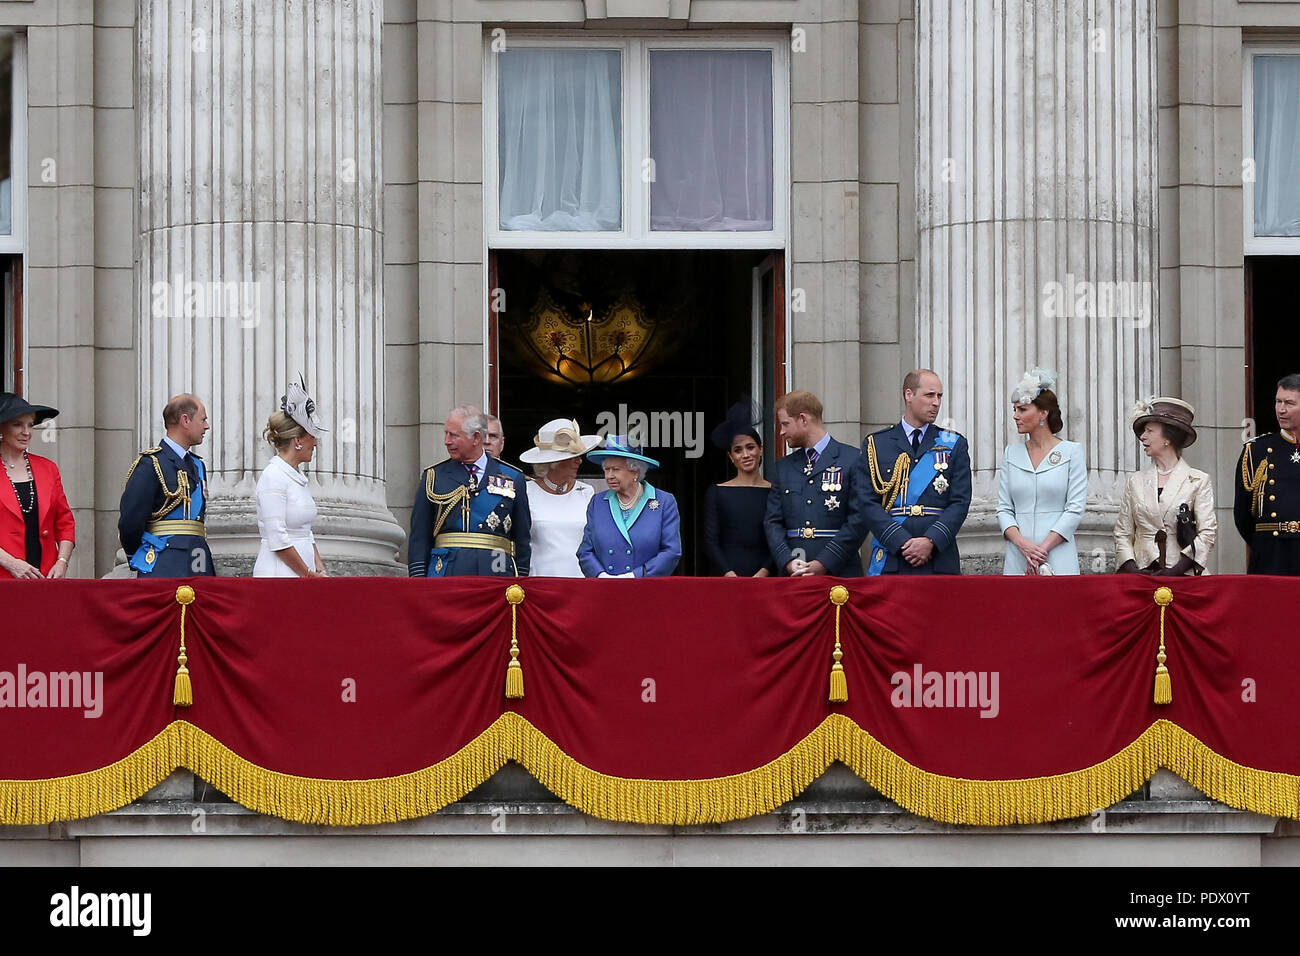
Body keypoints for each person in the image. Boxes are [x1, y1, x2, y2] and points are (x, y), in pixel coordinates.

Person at [861, 370, 971, 575]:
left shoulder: (953, 443)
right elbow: (867, 502)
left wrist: (930, 540)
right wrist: (900, 540)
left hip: (938, 558)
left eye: (939, 396)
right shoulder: (876, 444)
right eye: (929, 395)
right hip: (893, 556)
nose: (936, 402)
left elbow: (960, 502)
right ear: (909, 395)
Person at [409, 404, 531, 577]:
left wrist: (521, 580)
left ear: (475, 438)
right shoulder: (434, 477)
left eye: (454, 435)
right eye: (446, 433)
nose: (447, 441)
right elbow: (419, 539)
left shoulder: (513, 477)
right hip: (446, 574)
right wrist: (418, 580)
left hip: (497, 573)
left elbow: (522, 539)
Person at [763, 390, 870, 577]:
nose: (781, 432)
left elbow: (859, 519)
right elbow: (773, 522)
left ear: (803, 419)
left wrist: (824, 562)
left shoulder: (852, 459)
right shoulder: (783, 467)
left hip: (839, 573)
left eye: (785, 424)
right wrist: (786, 560)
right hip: (793, 576)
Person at [996, 369, 1088, 575]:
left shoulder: (1071, 452)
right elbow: (1003, 508)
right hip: (1018, 555)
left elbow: (1074, 508)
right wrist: (1023, 545)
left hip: (1058, 553)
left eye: (1022, 409)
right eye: (1015, 410)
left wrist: (1041, 550)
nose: (1015, 416)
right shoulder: (1011, 453)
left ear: (1043, 413)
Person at [1115, 397, 1216, 576]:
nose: (1143, 436)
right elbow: (1123, 532)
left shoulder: (1198, 480)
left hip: (1184, 575)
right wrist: (1132, 569)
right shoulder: (1135, 481)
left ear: (1167, 438)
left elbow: (1207, 533)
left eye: (1150, 431)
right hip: (1141, 575)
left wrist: (1176, 570)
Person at [119, 394, 215, 577]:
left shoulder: (197, 465)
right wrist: (137, 556)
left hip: (198, 560)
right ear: (185, 420)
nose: (206, 426)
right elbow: (130, 522)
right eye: (203, 420)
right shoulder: (150, 464)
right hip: (163, 562)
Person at [253, 379, 330, 578]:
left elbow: (306, 532)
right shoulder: (274, 476)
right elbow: (277, 538)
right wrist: (307, 574)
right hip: (279, 574)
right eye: (311, 436)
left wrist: (320, 569)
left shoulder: (297, 476)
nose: (315, 443)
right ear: (297, 440)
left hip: (302, 574)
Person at [577, 436, 681, 577]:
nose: (609, 476)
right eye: (607, 469)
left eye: (616, 469)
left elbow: (671, 551)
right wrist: (600, 576)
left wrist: (635, 575)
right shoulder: (598, 502)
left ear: (636, 471)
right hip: (605, 589)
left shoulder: (664, 502)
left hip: (646, 589)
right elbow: (585, 551)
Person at [0, 393, 75, 579]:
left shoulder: (47, 468)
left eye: (30, 425)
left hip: (45, 576)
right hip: (4, 576)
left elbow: (65, 522)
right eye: (18, 424)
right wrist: (11, 563)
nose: (27, 432)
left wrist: (62, 562)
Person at [1234, 373, 1300, 575]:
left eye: (1289, 403)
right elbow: (1243, 515)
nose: (1281, 409)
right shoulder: (1257, 451)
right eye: (1278, 402)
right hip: (1271, 555)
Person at [520, 417, 599, 577]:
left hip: (581, 582)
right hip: (540, 582)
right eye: (572, 456)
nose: (579, 460)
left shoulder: (587, 492)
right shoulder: (527, 492)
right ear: (553, 462)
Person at [703, 403, 774, 576]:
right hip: (727, 577)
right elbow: (711, 541)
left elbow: (780, 537)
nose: (746, 454)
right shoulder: (717, 492)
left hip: (767, 577)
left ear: (760, 449)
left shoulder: (775, 492)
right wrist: (728, 572)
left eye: (750, 447)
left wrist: (765, 571)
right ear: (731, 456)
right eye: (738, 450)